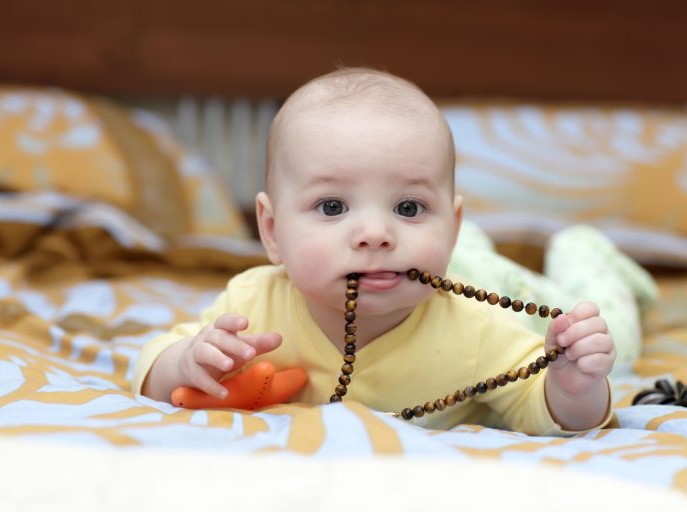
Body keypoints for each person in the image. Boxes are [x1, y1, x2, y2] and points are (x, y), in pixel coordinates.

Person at [133, 67, 616, 435]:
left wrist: (574, 386)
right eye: (332, 206)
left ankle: (586, 252)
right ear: (273, 231)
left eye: (408, 206)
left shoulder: (477, 329)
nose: (374, 233)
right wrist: (185, 363)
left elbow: (545, 411)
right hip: (437, 257)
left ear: (451, 225)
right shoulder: (252, 306)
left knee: (598, 329)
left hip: (491, 283)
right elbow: (150, 365)